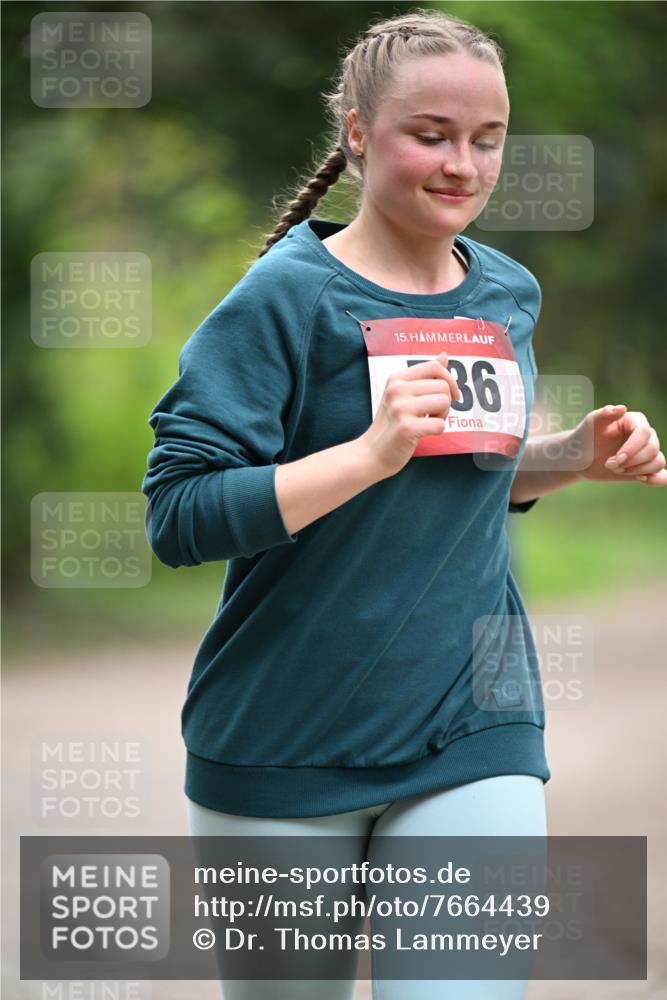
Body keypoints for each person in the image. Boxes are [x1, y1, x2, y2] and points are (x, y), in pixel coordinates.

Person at [141, 8, 665, 999]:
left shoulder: (506, 292)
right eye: (430, 135)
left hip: (475, 730)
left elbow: (465, 474)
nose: (462, 165)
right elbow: (180, 515)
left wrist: (568, 455)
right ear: (355, 133)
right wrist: (368, 452)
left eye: (486, 139)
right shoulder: (278, 300)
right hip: (281, 744)